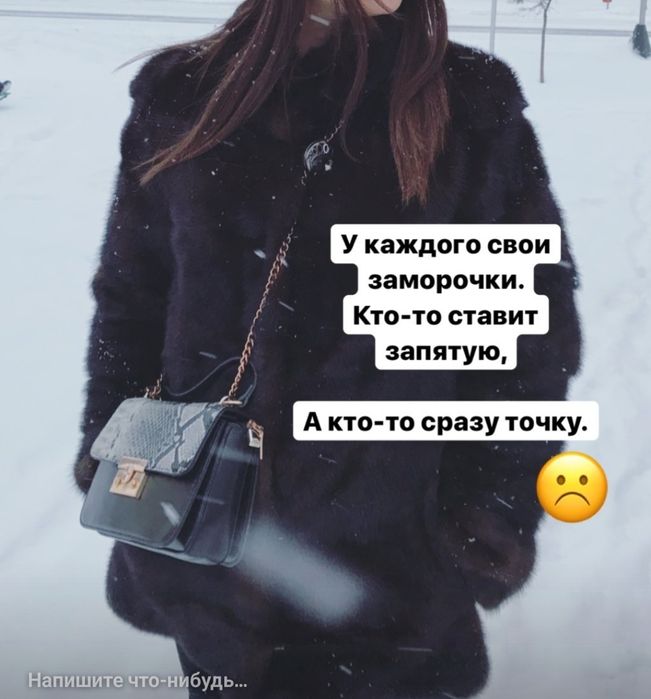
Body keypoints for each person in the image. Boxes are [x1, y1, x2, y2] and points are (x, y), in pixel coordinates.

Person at [73, 1, 581, 697]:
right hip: (207, 555)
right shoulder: (186, 97)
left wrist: (481, 522)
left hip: (392, 585)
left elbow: (522, 341)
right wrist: (118, 458)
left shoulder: (465, 109)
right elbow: (131, 302)